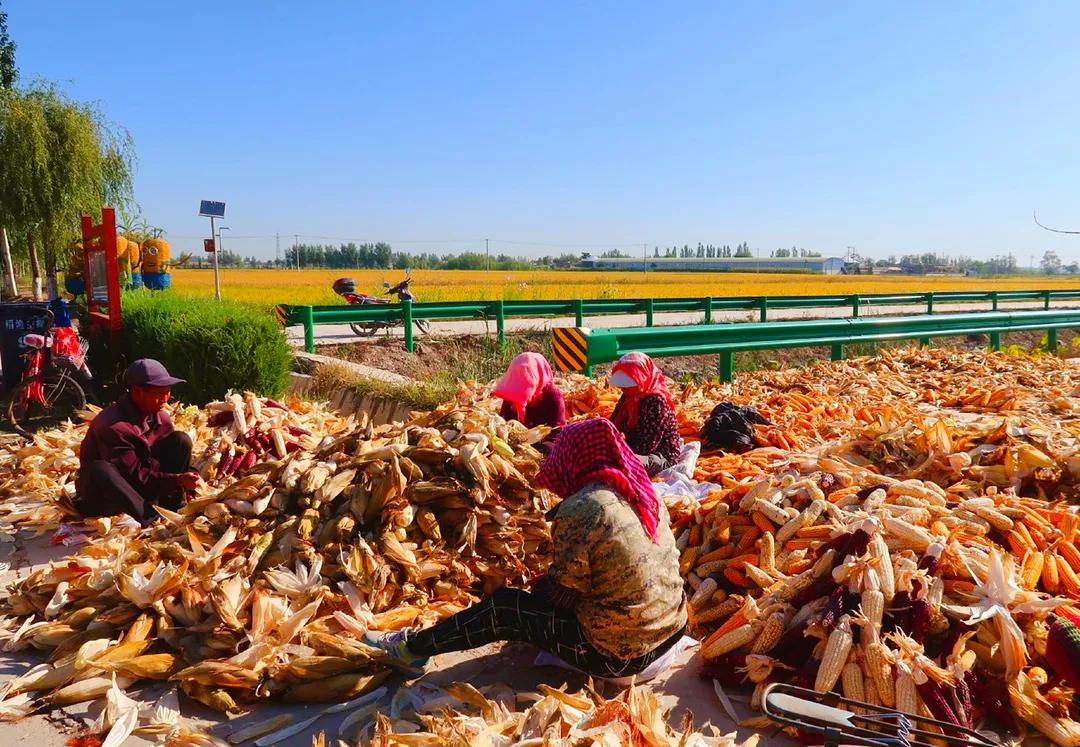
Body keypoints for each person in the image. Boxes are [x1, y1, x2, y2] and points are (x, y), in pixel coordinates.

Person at [365, 418, 687, 678]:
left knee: (506, 607)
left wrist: (537, 590)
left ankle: (411, 650)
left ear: (576, 458)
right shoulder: (642, 492)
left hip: (623, 656)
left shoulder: (585, 507)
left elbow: (564, 595)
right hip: (671, 632)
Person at [75, 359, 200, 525]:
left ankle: (171, 508)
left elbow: (156, 462)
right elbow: (133, 477)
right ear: (137, 392)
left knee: (180, 440)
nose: (165, 398)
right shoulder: (114, 426)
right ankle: (152, 520)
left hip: (143, 486)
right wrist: (176, 479)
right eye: (158, 393)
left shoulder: (160, 417)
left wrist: (189, 476)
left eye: (168, 391)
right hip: (109, 496)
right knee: (100, 469)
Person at [608, 352, 683, 476]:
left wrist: (618, 450)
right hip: (631, 448)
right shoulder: (628, 396)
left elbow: (647, 446)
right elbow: (612, 425)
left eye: (628, 384)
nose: (623, 389)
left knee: (617, 463)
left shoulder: (656, 402)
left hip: (659, 456)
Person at [494, 352, 566, 429]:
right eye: (518, 375)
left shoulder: (552, 396)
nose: (522, 380)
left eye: (527, 375)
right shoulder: (513, 392)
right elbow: (504, 421)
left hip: (544, 439)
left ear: (537, 373)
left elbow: (557, 429)